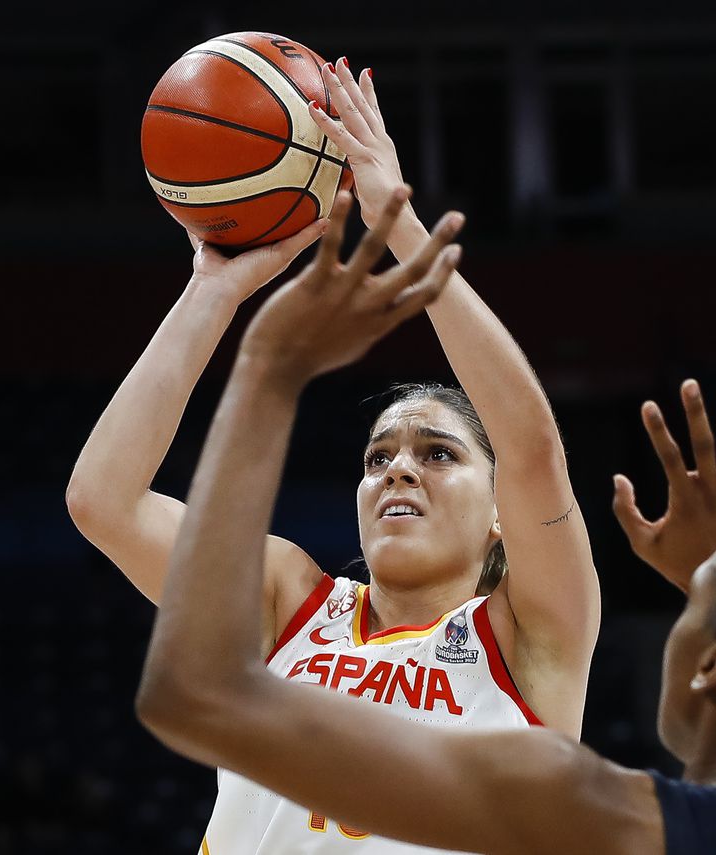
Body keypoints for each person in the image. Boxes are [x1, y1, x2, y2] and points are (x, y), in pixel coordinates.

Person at [134, 183, 716, 853]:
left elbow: (192, 692)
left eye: (693, 605)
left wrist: (271, 370)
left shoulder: (603, 812)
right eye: (378, 456)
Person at [69, 71, 611, 845]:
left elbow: (532, 451)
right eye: (379, 455)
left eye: (438, 453)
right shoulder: (287, 602)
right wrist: (213, 289)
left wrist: (398, 224)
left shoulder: (534, 641)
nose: (398, 468)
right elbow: (104, 501)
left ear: (501, 516)